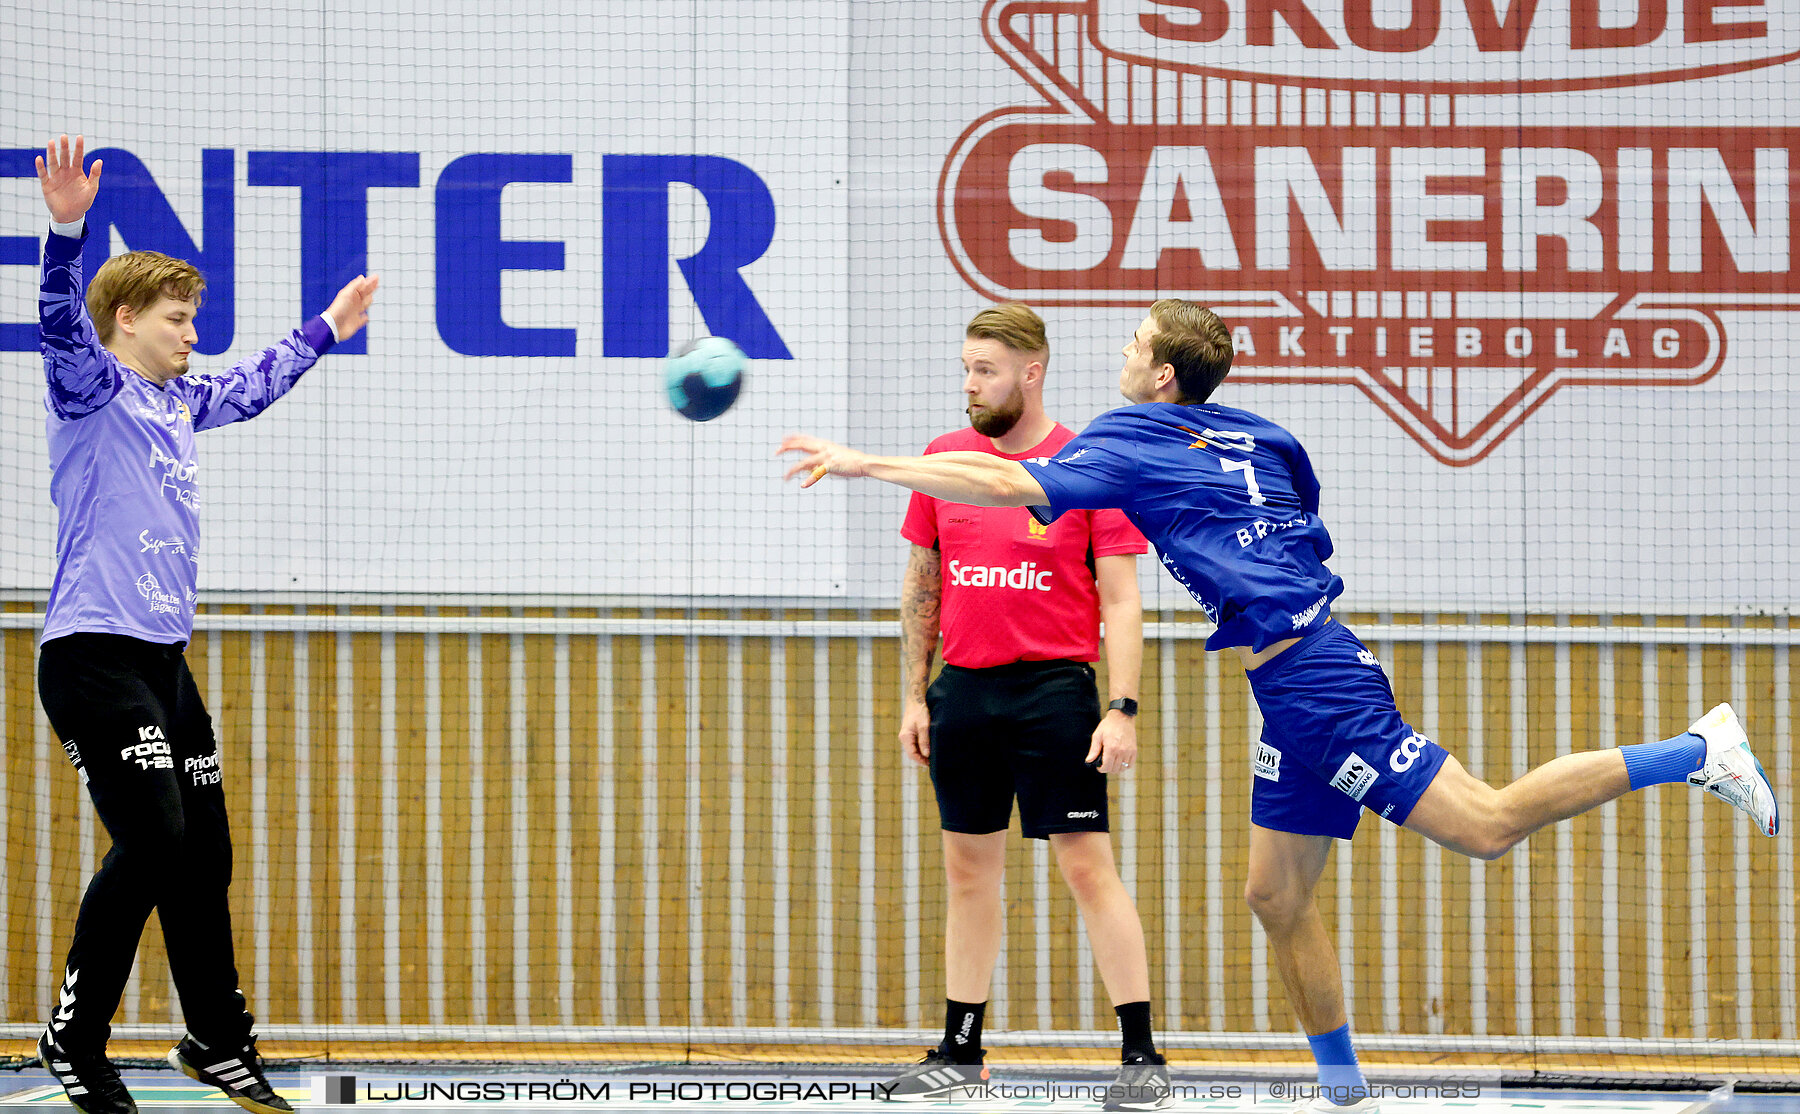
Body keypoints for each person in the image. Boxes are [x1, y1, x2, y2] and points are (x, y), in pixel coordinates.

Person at [781, 298, 1779, 1114]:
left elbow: (997, 478)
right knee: (1275, 895)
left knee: (1486, 824)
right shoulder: (1263, 431)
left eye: (1134, 346)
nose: (1123, 357)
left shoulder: (1133, 438)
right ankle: (1344, 1091)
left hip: (1319, 691)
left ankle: (1694, 748)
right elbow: (1302, 518)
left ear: (1164, 376)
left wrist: (871, 464)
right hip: (1298, 678)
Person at [31, 135, 380, 1114]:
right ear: (127, 320)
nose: (193, 334)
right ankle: (73, 1036)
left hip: (161, 663)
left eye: (197, 319)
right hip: (91, 654)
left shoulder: (182, 400)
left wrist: (327, 327)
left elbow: (258, 382)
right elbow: (60, 322)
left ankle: (216, 1040)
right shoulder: (90, 390)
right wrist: (66, 232)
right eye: (178, 319)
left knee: (202, 853)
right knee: (150, 840)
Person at [883, 304, 1170, 1110]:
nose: (970, 384)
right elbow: (922, 580)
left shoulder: (1087, 464)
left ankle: (1142, 1058)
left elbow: (1121, 599)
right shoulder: (945, 459)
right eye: (966, 368)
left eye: (985, 370)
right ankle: (961, 1050)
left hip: (1055, 695)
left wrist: (1122, 707)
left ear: (1030, 374)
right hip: (965, 694)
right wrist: (916, 694)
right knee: (968, 872)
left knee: (1086, 866)